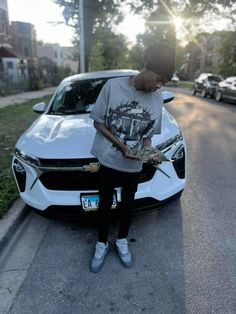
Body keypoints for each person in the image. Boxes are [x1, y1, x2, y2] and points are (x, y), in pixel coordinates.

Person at [89, 43, 175, 273]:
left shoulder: (157, 100)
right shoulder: (113, 87)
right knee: (105, 203)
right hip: (109, 159)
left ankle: (122, 240)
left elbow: (146, 139)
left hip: (134, 164)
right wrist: (121, 146)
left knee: (128, 204)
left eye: (164, 83)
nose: (159, 86)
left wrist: (150, 154)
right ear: (148, 68)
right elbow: (98, 122)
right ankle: (101, 243)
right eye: (158, 79)